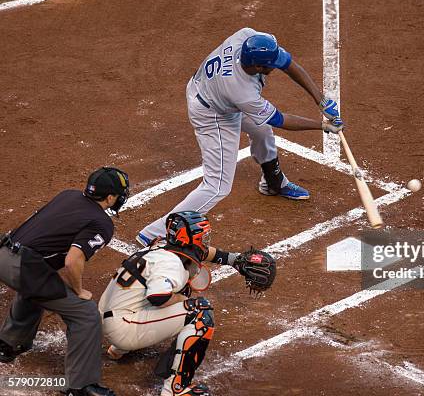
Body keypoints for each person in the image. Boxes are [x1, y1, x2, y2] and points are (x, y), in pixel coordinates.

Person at [137, 27, 345, 246]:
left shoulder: (246, 37)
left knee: (261, 129)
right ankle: (155, 233)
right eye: (269, 66)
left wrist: (321, 101)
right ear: (256, 66)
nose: (274, 68)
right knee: (217, 187)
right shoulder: (241, 91)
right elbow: (280, 119)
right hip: (212, 113)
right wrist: (322, 125)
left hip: (212, 91)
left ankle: (273, 182)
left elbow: (288, 64)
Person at [99, 211, 276, 396]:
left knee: (175, 289)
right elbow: (157, 298)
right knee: (200, 312)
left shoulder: (159, 246)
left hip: (108, 318)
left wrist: (233, 259)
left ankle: (119, 350)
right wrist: (184, 300)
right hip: (122, 328)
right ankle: (175, 388)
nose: (205, 240)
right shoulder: (172, 264)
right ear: (190, 238)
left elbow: (202, 252)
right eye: (202, 236)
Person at [0, 167, 130, 396]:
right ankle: (81, 386)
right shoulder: (102, 223)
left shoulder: (68, 194)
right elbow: (72, 261)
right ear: (110, 198)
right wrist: (79, 290)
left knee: (43, 284)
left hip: (5, 251)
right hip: (23, 267)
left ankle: (8, 343)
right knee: (86, 313)